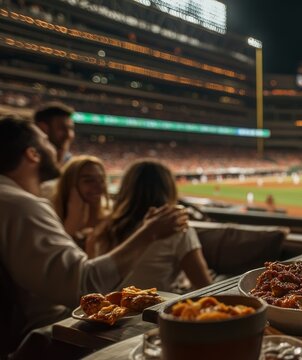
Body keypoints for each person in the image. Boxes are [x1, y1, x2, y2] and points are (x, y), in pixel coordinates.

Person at [0, 115, 188, 354]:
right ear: (33, 154)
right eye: (46, 141)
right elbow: (84, 285)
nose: (55, 147)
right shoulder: (20, 206)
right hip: (48, 334)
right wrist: (149, 233)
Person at [91, 160, 211, 292]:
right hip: (155, 309)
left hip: (110, 308)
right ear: (168, 189)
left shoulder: (104, 226)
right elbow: (205, 288)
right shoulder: (178, 228)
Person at [52, 155, 110, 249]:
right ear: (69, 185)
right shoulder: (51, 220)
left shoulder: (111, 222)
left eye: (101, 180)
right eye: (88, 181)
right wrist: (70, 228)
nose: (99, 186)